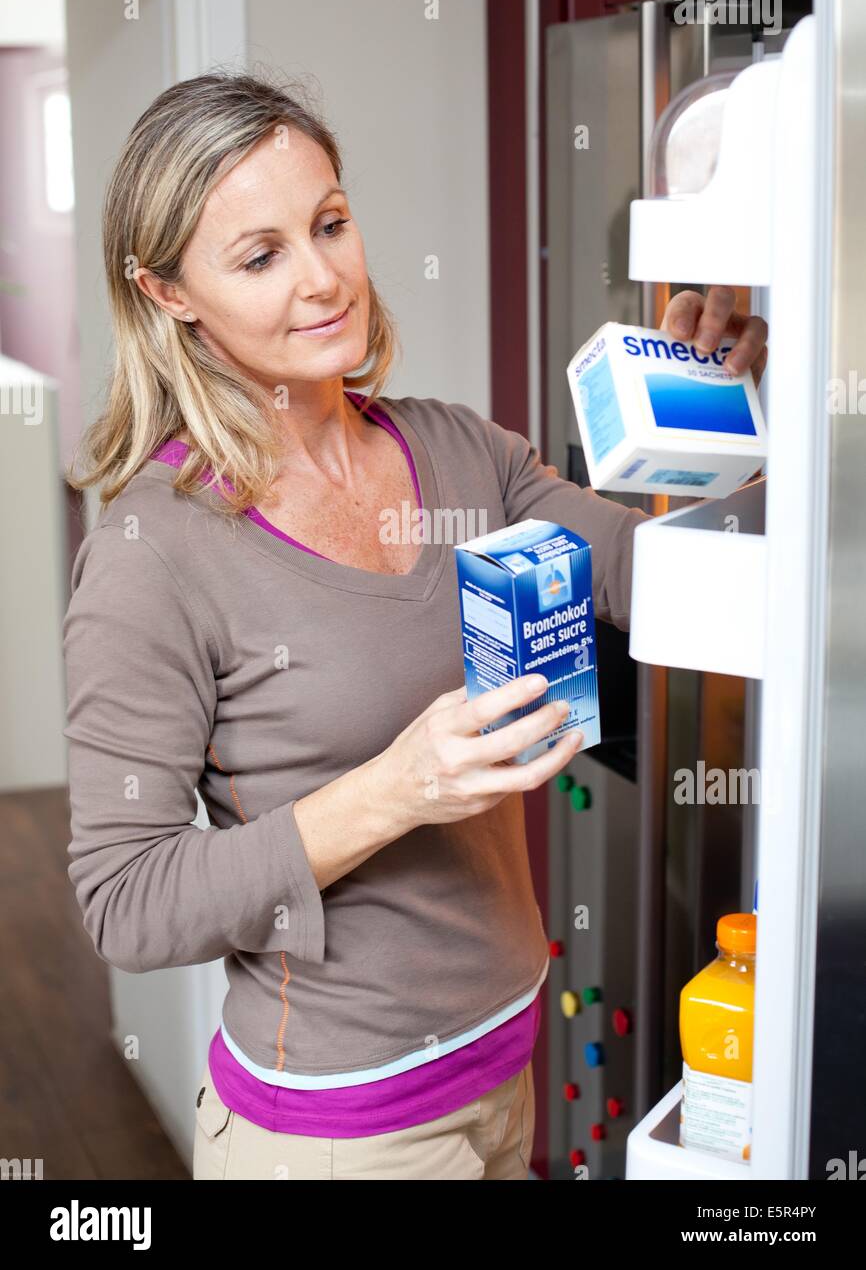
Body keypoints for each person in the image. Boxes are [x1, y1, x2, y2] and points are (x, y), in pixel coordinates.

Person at [62, 69, 769, 1181]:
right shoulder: (156, 553)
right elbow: (127, 902)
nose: (323, 277)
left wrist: (722, 411)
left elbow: (665, 575)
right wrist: (396, 789)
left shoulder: (456, 452)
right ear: (167, 294)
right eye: (260, 256)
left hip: (503, 1072)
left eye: (330, 223)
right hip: (338, 1134)